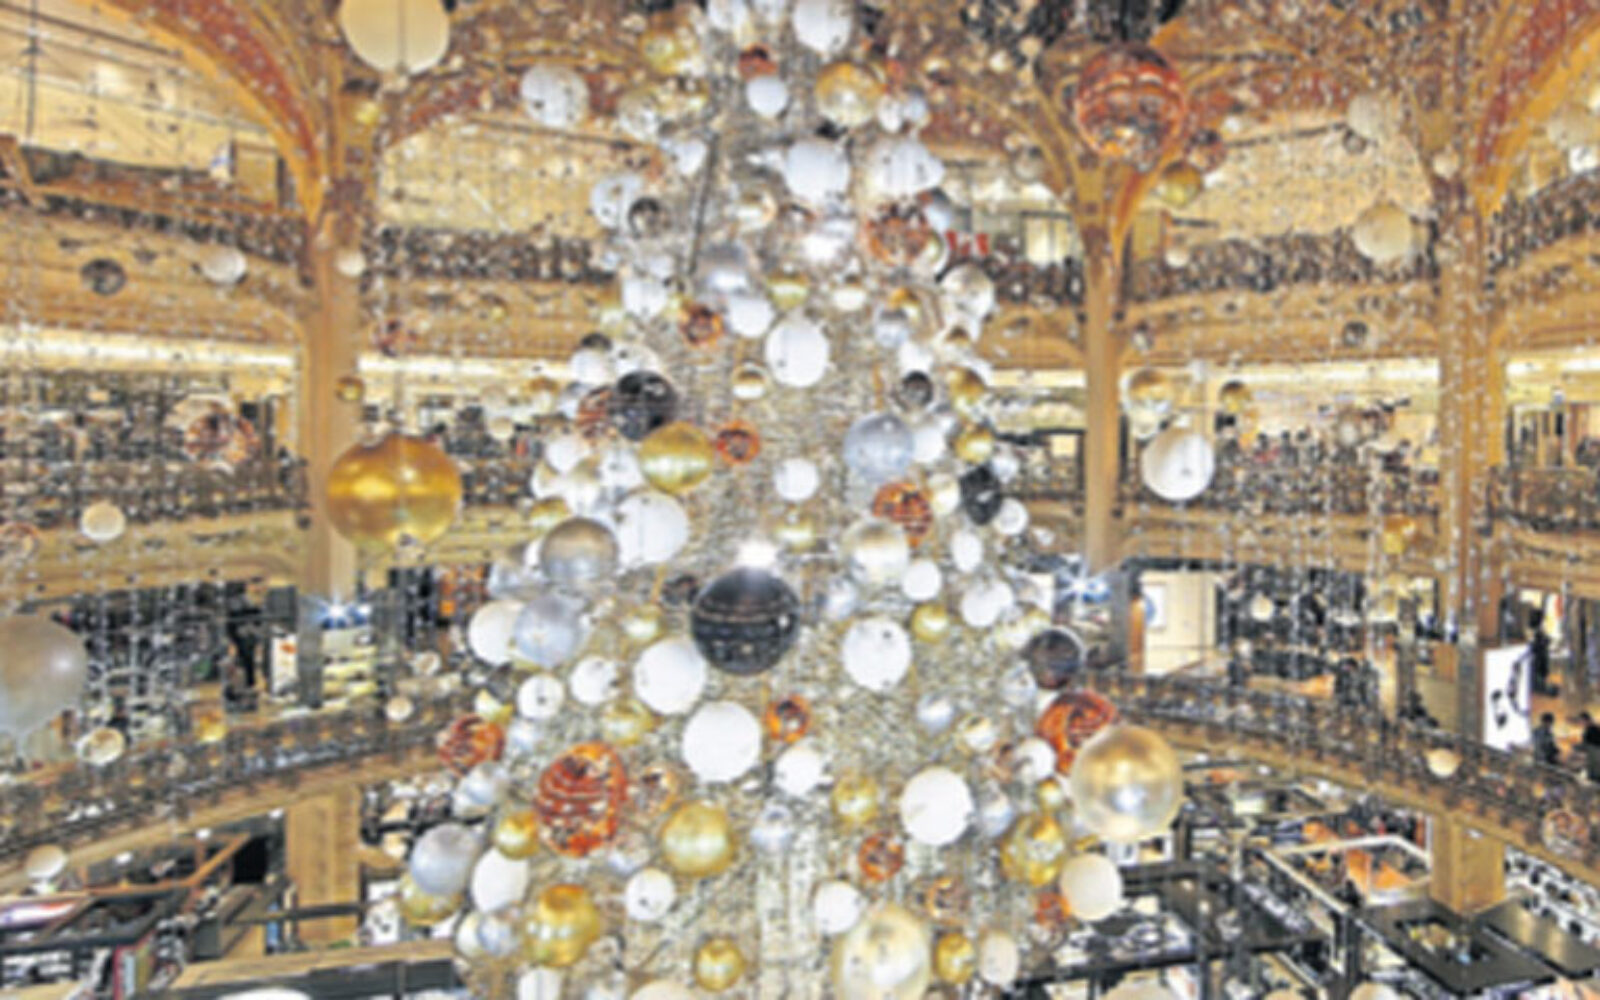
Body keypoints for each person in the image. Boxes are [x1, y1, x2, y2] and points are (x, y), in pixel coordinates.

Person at [1580, 712, 1600, 782]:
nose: (1581, 723)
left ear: (1586, 720)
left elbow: (1588, 744)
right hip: (1592, 755)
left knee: (1595, 775)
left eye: (1581, 721)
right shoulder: (1591, 728)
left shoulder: (1592, 729)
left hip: (1595, 755)